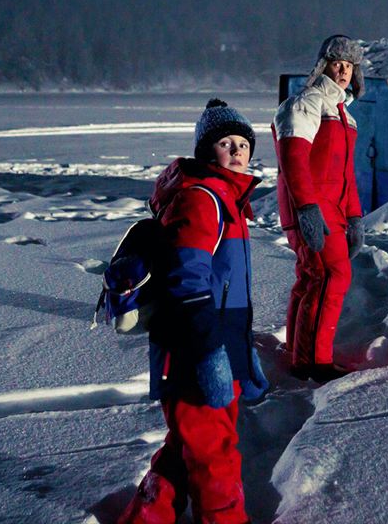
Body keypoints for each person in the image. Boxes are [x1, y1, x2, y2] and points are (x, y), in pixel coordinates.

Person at [118, 99, 267, 524]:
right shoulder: (202, 199)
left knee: (191, 445)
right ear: (207, 153)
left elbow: (225, 288)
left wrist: (241, 349)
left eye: (243, 143)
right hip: (193, 350)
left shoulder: (228, 200)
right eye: (225, 143)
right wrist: (209, 354)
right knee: (214, 454)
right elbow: (188, 281)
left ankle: (148, 517)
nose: (237, 151)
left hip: (219, 343)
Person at [272, 34, 366, 383]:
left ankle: (298, 354)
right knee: (332, 276)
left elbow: (346, 175)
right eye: (336, 63)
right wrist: (307, 209)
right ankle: (316, 362)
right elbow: (293, 157)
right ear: (323, 65)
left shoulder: (344, 114)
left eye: (349, 65)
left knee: (311, 277)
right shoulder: (307, 103)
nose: (343, 71)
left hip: (333, 211)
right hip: (313, 208)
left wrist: (355, 218)